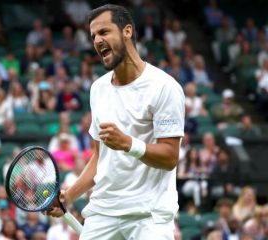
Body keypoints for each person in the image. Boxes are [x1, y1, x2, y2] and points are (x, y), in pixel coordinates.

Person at [47, 4, 185, 239]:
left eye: (103, 32)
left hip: (149, 216)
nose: (97, 41)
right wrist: (69, 196)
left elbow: (170, 157)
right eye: (93, 36)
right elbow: (100, 158)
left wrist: (128, 144)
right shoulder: (98, 89)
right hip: (103, 213)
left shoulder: (165, 87)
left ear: (127, 31)